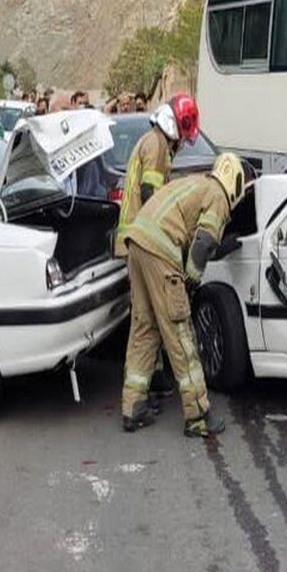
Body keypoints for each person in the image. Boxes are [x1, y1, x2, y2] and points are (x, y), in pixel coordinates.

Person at [119, 153, 245, 437]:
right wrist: (190, 282)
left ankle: (133, 406)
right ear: (235, 182)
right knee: (180, 333)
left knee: (144, 326)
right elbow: (203, 243)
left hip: (137, 244)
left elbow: (192, 233)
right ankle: (198, 415)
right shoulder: (218, 196)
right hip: (160, 251)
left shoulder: (196, 183)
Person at [115, 94, 199, 257]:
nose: (181, 142)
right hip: (139, 239)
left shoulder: (153, 139)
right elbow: (150, 193)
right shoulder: (157, 144)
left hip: (134, 236)